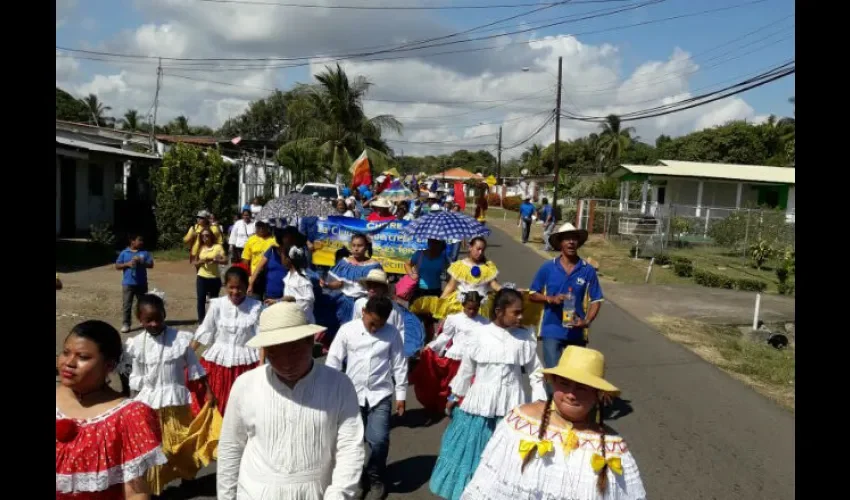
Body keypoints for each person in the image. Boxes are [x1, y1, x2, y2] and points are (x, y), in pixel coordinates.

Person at [217, 302, 365, 500]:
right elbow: (231, 448)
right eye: (274, 353)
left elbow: (350, 447)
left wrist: (339, 494)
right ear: (265, 351)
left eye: (294, 351)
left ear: (310, 341)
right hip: (255, 492)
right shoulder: (246, 385)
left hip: (317, 493)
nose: (286, 363)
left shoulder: (338, 385)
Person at [462, 347, 646, 500]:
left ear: (597, 394)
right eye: (564, 384)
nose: (571, 394)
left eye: (582, 387)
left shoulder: (612, 448)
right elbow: (486, 485)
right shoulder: (519, 424)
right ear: (554, 383)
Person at [429, 288, 546, 500]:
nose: (520, 317)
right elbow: (466, 370)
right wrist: (454, 397)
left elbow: (536, 373)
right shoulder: (480, 334)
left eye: (522, 312)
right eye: (516, 312)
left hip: (511, 408)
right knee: (471, 455)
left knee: (505, 463)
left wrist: (540, 402)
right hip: (477, 406)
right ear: (499, 311)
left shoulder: (524, 338)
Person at [57, 320, 166, 500]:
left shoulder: (130, 416)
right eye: (66, 353)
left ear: (109, 365)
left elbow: (136, 492)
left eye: (83, 357)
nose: (69, 362)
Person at [122, 294, 219, 495]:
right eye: (148, 320)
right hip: (150, 405)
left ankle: (188, 477)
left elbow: (195, 368)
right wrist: (132, 402)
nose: (155, 323)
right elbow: (137, 376)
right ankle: (153, 486)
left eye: (158, 318)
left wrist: (208, 392)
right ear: (140, 320)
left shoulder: (180, 339)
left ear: (165, 314)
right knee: (154, 449)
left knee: (181, 444)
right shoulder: (137, 345)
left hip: (177, 403)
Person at [326, 296, 408, 500]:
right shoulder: (347, 331)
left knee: (379, 440)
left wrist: (402, 395)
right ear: (363, 312)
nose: (374, 329)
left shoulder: (392, 334)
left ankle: (376, 478)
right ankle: (357, 479)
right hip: (351, 395)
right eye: (372, 323)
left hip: (380, 395)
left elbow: (399, 364)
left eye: (379, 325)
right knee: (353, 441)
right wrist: (328, 389)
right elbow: (334, 359)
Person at [529, 222, 604, 373]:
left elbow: (596, 299)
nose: (571, 242)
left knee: (575, 376)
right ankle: (552, 396)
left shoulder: (587, 270)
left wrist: (586, 321)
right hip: (552, 328)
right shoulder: (548, 267)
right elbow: (532, 294)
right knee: (553, 373)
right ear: (560, 243)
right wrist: (551, 299)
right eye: (567, 239)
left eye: (574, 239)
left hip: (576, 331)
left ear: (578, 242)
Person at [191, 267, 261, 416]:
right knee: (214, 401)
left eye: (239, 288)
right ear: (225, 286)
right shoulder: (217, 305)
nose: (235, 292)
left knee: (244, 405)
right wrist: (187, 355)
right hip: (218, 362)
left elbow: (261, 338)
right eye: (231, 287)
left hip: (246, 365)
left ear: (246, 286)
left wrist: (262, 366)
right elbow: (205, 330)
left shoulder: (255, 307)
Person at [410, 291, 488, 416]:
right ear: (463, 305)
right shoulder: (454, 319)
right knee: (452, 384)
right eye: (469, 308)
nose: (472, 312)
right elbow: (445, 337)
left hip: (475, 359)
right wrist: (431, 347)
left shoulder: (485, 322)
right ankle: (451, 405)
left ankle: (465, 409)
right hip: (456, 359)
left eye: (475, 309)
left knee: (472, 384)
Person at [320, 233, 384, 332]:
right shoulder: (343, 262)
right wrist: (327, 284)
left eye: (359, 246)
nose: (356, 249)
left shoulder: (374, 266)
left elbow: (379, 288)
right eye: (353, 245)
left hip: (363, 305)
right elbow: (338, 283)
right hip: (342, 304)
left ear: (366, 247)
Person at [248, 226, 305, 302]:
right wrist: (251, 285)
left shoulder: (295, 253)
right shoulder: (271, 251)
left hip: (287, 296)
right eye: (286, 237)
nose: (289, 240)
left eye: (291, 238)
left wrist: (284, 253)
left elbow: (295, 267)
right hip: (269, 295)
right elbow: (258, 268)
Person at [115, 233, 154, 333]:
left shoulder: (144, 252)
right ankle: (126, 323)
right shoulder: (125, 252)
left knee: (143, 304)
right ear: (132, 241)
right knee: (127, 304)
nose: (141, 242)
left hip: (141, 283)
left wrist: (142, 262)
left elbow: (151, 264)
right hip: (128, 283)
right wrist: (127, 264)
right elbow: (117, 266)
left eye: (142, 240)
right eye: (139, 240)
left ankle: (144, 321)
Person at [192, 228, 227, 322]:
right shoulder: (200, 247)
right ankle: (201, 322)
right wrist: (201, 261)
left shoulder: (218, 247)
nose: (205, 237)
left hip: (214, 278)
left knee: (214, 301)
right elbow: (195, 262)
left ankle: (213, 321)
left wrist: (217, 260)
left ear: (211, 236)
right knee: (201, 300)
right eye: (202, 236)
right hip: (202, 277)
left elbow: (225, 261)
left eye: (207, 235)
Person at [279, 246, 316, 323]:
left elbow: (308, 301)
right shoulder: (289, 275)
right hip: (291, 319)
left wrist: (293, 303)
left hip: (302, 321)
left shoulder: (301, 279)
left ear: (288, 259)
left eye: (282, 257)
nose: (281, 260)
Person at [241, 220, 277, 300]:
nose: (261, 228)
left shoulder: (274, 240)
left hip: (270, 275)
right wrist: (247, 276)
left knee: (269, 302)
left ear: (267, 227)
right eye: (258, 226)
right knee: (255, 302)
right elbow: (246, 259)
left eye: (263, 225)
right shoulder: (251, 240)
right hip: (255, 276)